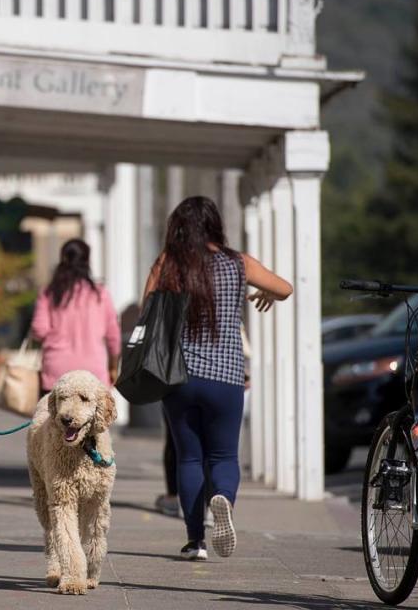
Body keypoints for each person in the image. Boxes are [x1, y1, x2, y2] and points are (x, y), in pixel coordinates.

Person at [143, 196, 292, 561]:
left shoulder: (168, 263)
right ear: (214, 225)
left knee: (189, 458)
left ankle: (196, 542)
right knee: (224, 455)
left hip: (178, 376)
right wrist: (263, 293)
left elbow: (147, 309)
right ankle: (222, 497)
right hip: (226, 377)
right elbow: (285, 287)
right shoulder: (237, 262)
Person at [29, 239, 121, 397]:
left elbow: (39, 330)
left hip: (56, 372)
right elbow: (114, 337)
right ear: (87, 261)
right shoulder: (100, 294)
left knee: (53, 420)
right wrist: (113, 367)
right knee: (93, 420)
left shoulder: (49, 293)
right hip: (94, 373)